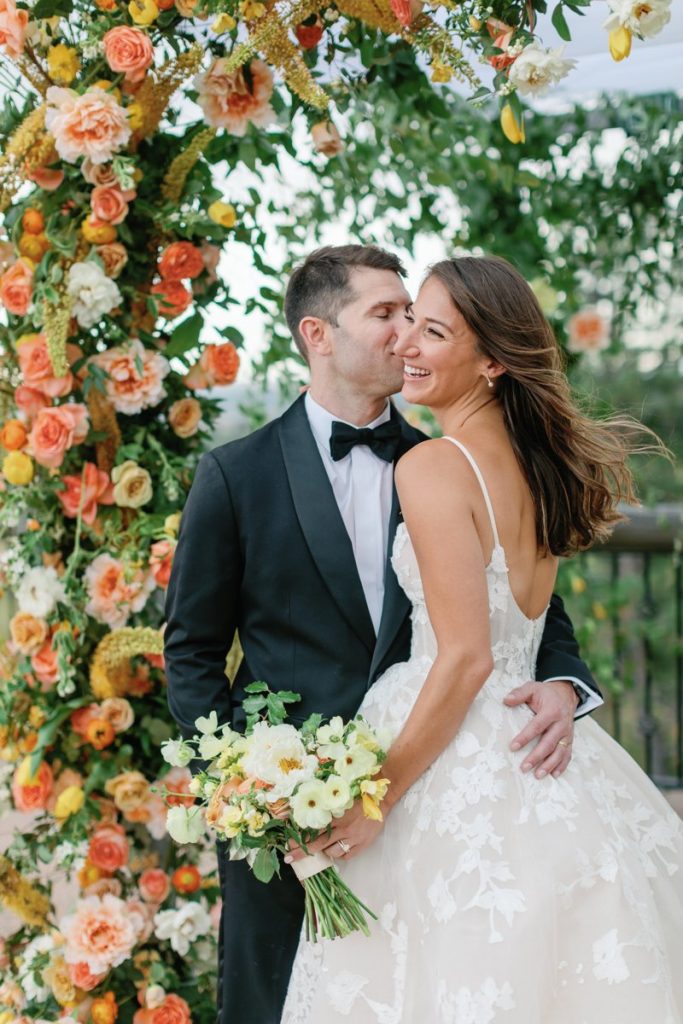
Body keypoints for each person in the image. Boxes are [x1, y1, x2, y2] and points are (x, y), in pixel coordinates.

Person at [163, 246, 602, 1024]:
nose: (405, 332)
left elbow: (523, 604)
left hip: (433, 790)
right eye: (386, 314)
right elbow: (191, 650)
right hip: (287, 811)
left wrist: (564, 685)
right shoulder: (235, 474)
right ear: (318, 335)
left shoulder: (443, 459)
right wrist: (243, 791)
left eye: (415, 315)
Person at [281, 255, 683, 1024]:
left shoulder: (433, 465)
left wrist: (375, 799)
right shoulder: (539, 468)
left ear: (492, 361)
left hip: (448, 746)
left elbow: (466, 656)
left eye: (432, 333)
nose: (406, 344)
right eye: (406, 322)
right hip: (529, 741)